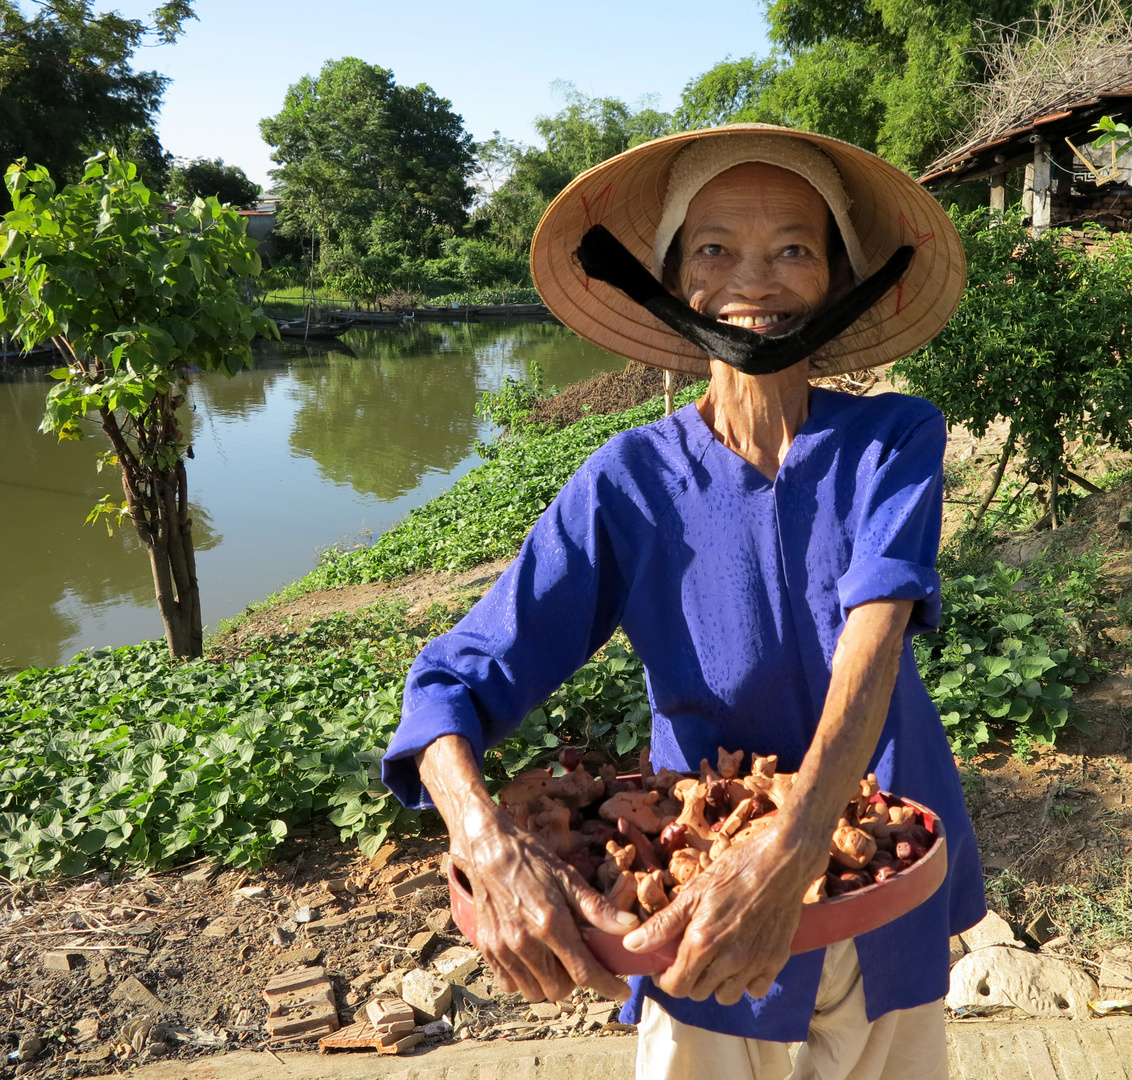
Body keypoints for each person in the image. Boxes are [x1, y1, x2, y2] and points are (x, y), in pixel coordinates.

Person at [382, 124, 983, 1080]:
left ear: (834, 277)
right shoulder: (630, 480)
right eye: (715, 250)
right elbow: (458, 675)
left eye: (795, 248)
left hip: (875, 884)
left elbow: (877, 628)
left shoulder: (893, 440)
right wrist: (483, 837)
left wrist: (794, 845)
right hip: (695, 921)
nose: (758, 280)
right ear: (671, 280)